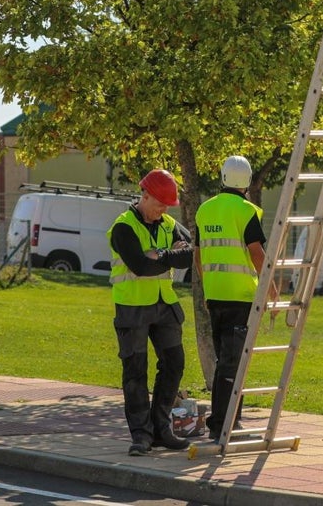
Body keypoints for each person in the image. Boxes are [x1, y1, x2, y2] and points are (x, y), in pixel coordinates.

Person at [108, 168, 194, 456]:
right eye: (158, 204)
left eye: (167, 206)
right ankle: (141, 435)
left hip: (164, 304)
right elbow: (140, 267)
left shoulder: (170, 224)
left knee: (174, 364)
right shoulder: (124, 227)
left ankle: (161, 429)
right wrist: (168, 256)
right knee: (135, 371)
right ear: (144, 195)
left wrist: (160, 256)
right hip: (132, 308)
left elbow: (190, 255)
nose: (162, 211)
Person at [195, 155, 272, 441]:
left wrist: (206, 289)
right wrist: (271, 288)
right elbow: (256, 254)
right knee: (232, 363)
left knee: (224, 361)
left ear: (223, 177)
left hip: (215, 296)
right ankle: (222, 424)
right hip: (241, 297)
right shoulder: (246, 211)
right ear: (248, 181)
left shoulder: (204, 210)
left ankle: (228, 421)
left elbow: (199, 254)